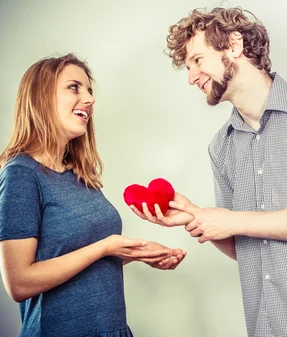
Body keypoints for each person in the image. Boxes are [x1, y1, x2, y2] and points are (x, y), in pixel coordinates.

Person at [130, 7, 287, 337]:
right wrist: (194, 216)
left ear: (233, 45)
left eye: (197, 60)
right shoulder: (221, 146)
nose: (191, 77)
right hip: (268, 328)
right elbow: (246, 247)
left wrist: (225, 219)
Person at [0, 53, 187, 337]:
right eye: (74, 87)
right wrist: (105, 246)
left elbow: (76, 261)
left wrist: (135, 253)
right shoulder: (21, 174)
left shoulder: (79, 174)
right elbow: (19, 283)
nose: (89, 99)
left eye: (89, 90)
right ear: (40, 96)